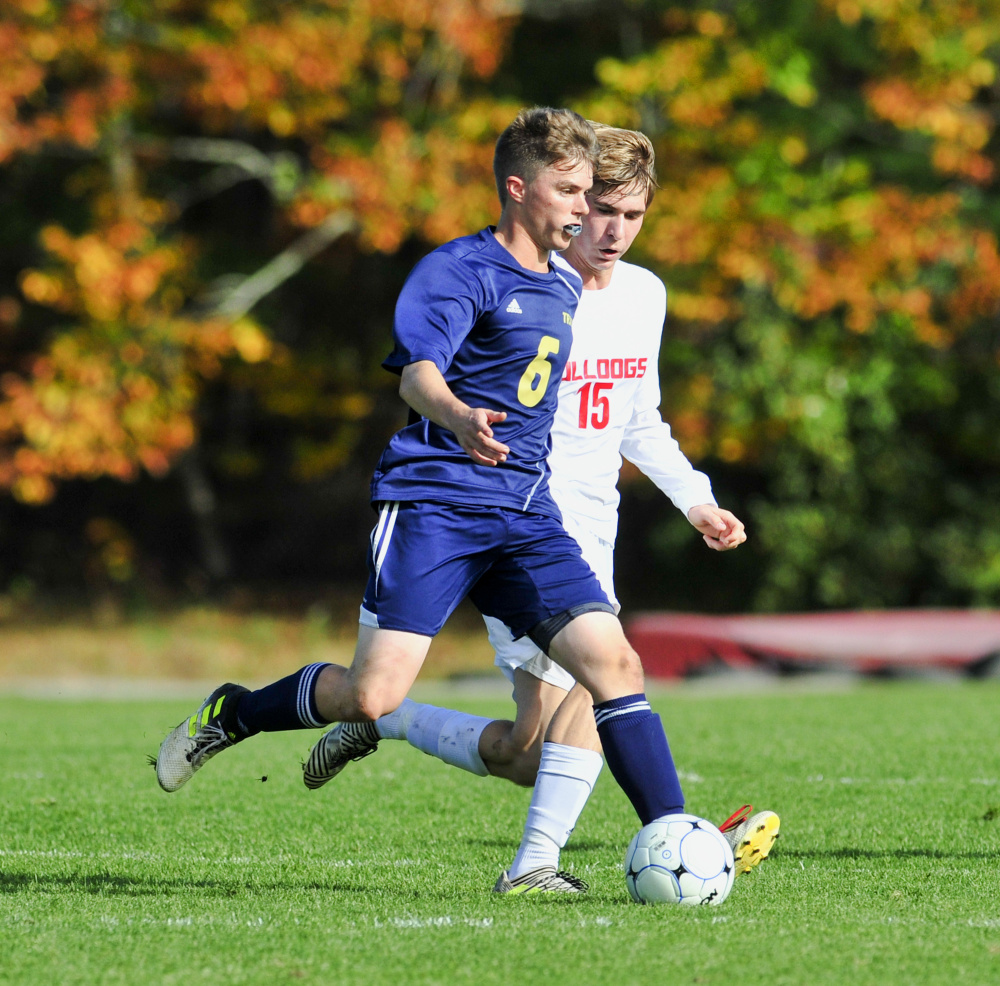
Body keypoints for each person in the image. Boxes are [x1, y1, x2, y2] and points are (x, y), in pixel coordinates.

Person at [154, 107, 700, 896]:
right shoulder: (456, 271)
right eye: (572, 191)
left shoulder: (567, 285)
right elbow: (418, 373)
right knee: (373, 694)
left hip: (525, 514)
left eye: (595, 195)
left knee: (613, 665)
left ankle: (665, 836)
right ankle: (234, 713)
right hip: (436, 505)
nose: (586, 210)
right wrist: (459, 417)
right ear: (518, 189)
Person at [301, 123, 780, 893]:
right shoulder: (529, 284)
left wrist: (695, 498)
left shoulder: (646, 295)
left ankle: (383, 717)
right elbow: (443, 377)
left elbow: (639, 416)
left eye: (632, 215)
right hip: (521, 519)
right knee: (604, 679)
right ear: (572, 202)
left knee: (527, 754)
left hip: (597, 523)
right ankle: (600, 850)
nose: (613, 230)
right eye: (600, 209)